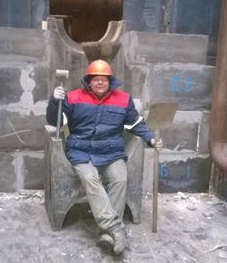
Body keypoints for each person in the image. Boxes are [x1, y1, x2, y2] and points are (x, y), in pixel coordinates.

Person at [46, 59, 163, 255]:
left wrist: (151, 138)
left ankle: (107, 233)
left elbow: (136, 123)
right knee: (91, 179)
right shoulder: (73, 97)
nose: (100, 82)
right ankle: (115, 228)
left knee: (120, 179)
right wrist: (54, 101)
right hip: (81, 151)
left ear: (110, 81)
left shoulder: (123, 100)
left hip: (110, 151)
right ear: (89, 81)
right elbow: (54, 121)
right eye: (96, 79)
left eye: (104, 79)